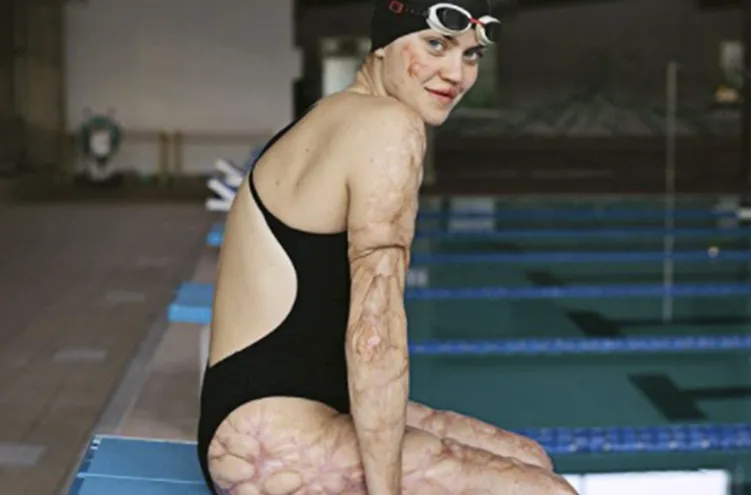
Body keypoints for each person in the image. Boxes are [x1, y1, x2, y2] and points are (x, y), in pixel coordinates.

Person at [197, 0, 579, 493]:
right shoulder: (388, 126)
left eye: (471, 55)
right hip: (270, 443)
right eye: (436, 45)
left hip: (258, 414)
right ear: (383, 46)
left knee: (530, 458)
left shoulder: (334, 111)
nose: (456, 74)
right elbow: (375, 334)